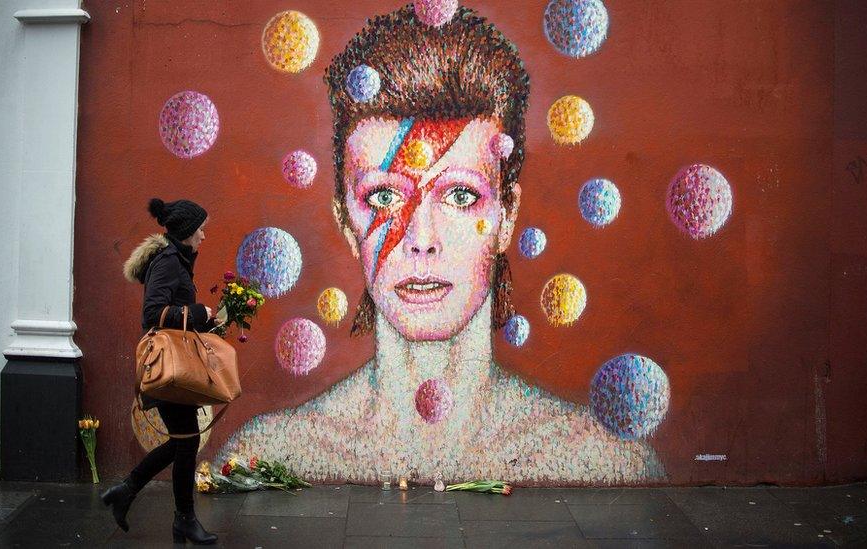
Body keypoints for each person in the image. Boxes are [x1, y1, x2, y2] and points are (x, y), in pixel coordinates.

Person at [217, 5, 666, 484]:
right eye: (385, 196)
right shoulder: (271, 455)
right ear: (347, 221)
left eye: (460, 195)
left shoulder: (606, 463)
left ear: (506, 216)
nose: (422, 240)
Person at [101, 198, 219, 545]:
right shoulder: (169, 261)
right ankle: (181, 518)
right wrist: (200, 313)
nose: (204, 235)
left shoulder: (175, 259)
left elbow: (173, 311)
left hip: (175, 364)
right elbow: (153, 314)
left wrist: (206, 324)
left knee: (185, 441)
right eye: (200, 228)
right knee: (186, 440)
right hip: (168, 367)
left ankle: (129, 491)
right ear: (185, 231)